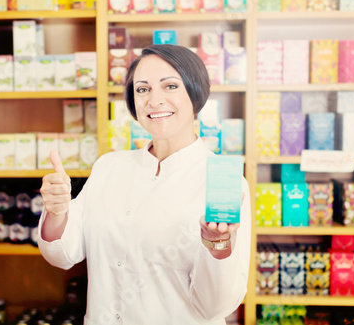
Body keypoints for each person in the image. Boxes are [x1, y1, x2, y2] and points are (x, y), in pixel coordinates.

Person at [39, 44, 251, 325]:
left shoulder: (221, 179)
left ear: (195, 92)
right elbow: (64, 254)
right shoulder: (109, 167)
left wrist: (217, 247)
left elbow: (215, 308)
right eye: (142, 89)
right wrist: (57, 213)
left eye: (171, 86)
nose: (154, 100)